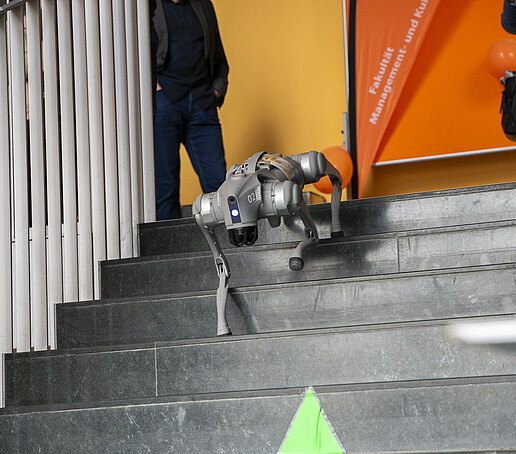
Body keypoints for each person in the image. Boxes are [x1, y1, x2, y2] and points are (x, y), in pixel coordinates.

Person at [152, 0, 229, 220]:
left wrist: (217, 91)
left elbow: (219, 56)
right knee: (165, 190)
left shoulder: (203, 5)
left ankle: (228, 241)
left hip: (202, 103)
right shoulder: (150, 7)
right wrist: (152, 87)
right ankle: (167, 243)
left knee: (219, 187)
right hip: (165, 102)